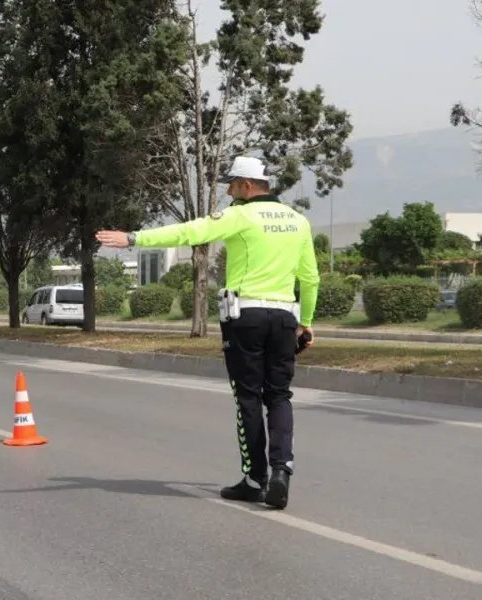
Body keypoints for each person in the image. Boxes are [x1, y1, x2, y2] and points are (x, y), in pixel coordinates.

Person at [95, 156, 320, 510]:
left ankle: (253, 479)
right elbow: (310, 278)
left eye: (231, 184)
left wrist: (133, 237)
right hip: (284, 319)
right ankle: (281, 471)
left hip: (246, 316)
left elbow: (189, 231)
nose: (228, 191)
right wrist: (306, 322)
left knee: (248, 397)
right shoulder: (298, 221)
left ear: (247, 187)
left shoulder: (239, 216)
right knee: (278, 396)